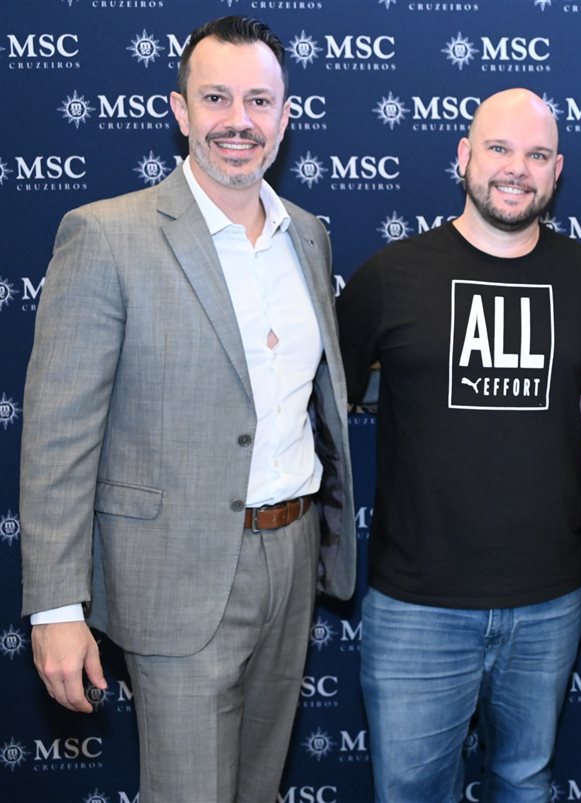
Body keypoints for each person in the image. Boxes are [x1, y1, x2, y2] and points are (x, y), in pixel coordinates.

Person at [19, 16, 356, 803]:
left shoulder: (307, 236)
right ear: (180, 111)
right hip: (178, 570)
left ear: (285, 116)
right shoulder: (107, 236)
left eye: (259, 101)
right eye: (216, 98)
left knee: (257, 788)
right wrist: (57, 607)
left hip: (292, 557)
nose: (239, 120)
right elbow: (58, 438)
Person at [337, 87, 581, 802]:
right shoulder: (388, 277)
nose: (515, 168)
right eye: (498, 148)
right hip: (417, 607)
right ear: (464, 156)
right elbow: (317, 413)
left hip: (551, 601)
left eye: (536, 155)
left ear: (557, 171)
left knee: (525, 783)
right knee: (411, 791)